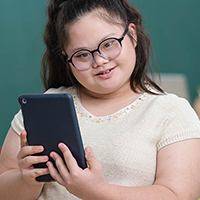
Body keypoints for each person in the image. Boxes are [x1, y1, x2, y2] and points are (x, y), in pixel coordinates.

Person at [0, 0, 200, 199]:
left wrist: (98, 192)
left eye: (109, 44)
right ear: (66, 58)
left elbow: (179, 195)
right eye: (82, 55)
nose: (100, 61)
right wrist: (26, 180)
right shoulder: (44, 107)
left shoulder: (172, 111)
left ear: (132, 34)